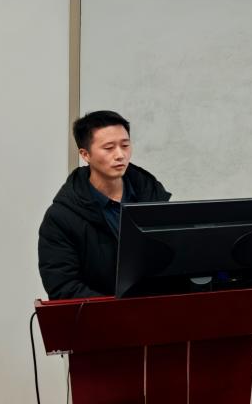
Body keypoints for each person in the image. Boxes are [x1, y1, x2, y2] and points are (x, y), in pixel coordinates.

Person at [38, 111, 170, 299]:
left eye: (125, 145)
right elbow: (64, 287)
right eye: (109, 148)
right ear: (85, 154)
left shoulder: (153, 198)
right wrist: (119, 310)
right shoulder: (61, 218)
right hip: (102, 314)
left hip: (158, 310)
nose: (120, 155)